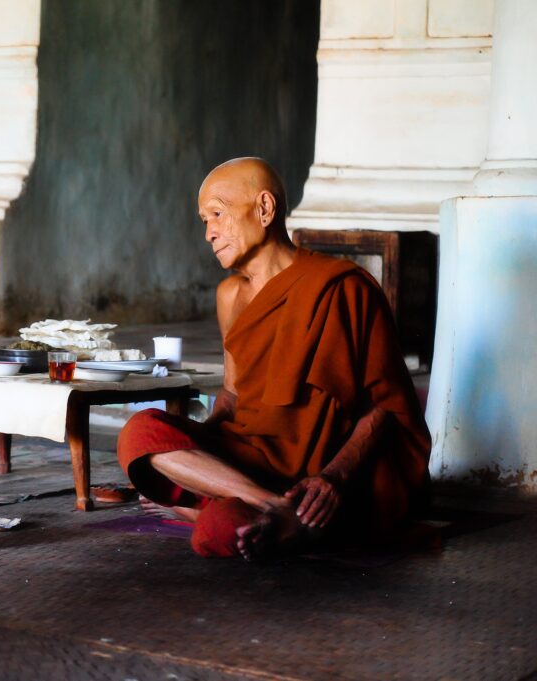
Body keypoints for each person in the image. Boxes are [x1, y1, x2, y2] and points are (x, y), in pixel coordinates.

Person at [117, 157, 431, 560]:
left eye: (217, 214)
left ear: (264, 209)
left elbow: (385, 406)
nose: (209, 233)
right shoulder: (229, 296)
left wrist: (332, 479)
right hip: (249, 463)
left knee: (219, 530)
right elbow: (231, 396)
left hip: (315, 468)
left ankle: (284, 513)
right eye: (204, 221)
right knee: (139, 433)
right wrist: (201, 451)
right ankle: (275, 509)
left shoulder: (342, 288)